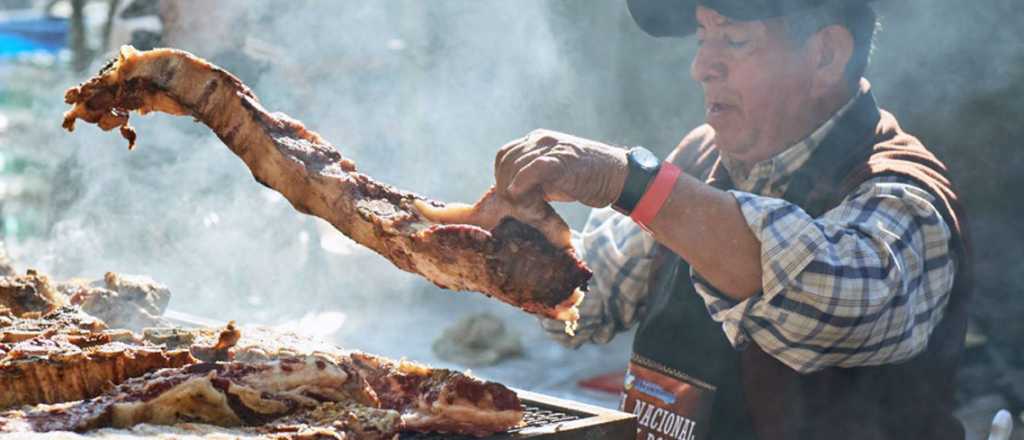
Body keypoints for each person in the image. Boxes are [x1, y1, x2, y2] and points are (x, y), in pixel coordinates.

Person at [492, 1, 972, 439]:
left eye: (735, 41)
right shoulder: (701, 157)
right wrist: (504, 239)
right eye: (703, 39)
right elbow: (587, 303)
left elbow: (821, 304)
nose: (701, 67)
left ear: (825, 55)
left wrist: (628, 181)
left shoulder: (904, 201)